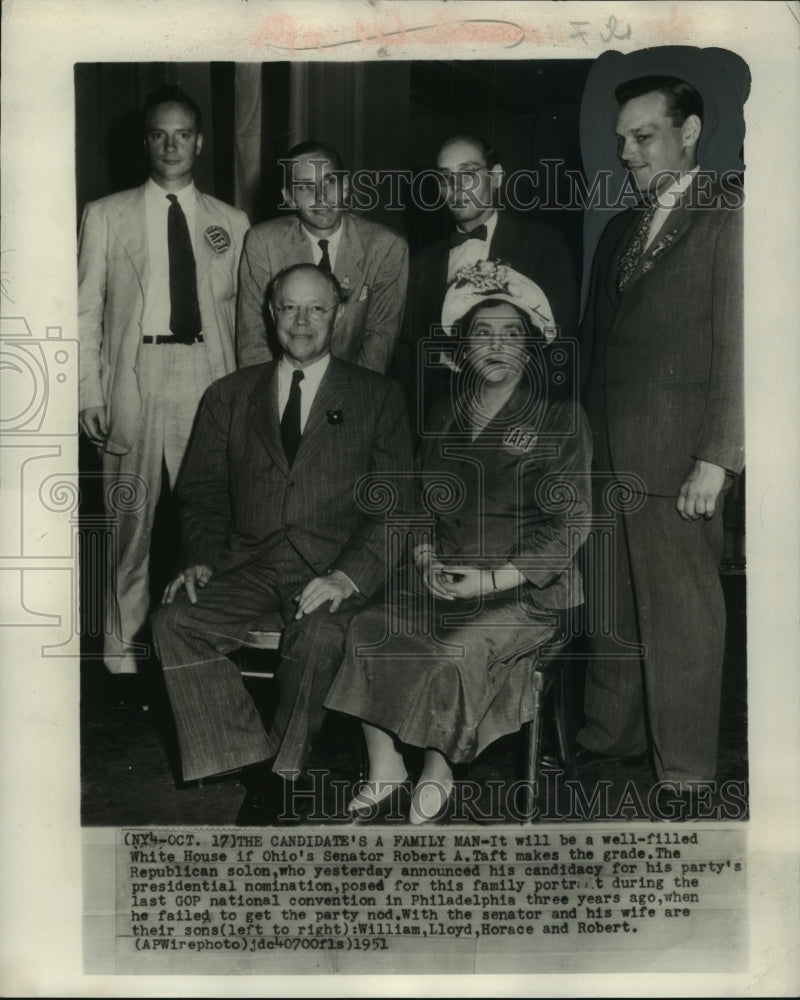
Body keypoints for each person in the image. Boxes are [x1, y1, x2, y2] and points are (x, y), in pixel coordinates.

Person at [325, 261, 592, 824]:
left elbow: (570, 525)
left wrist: (493, 578)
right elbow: (421, 502)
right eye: (482, 335)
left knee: (455, 649)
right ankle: (384, 768)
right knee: (367, 626)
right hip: (446, 575)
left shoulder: (561, 418)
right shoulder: (448, 413)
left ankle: (436, 771)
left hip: (525, 590)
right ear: (464, 348)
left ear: (531, 347)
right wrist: (424, 555)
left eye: (510, 334)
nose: (496, 347)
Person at [151, 263, 414, 823]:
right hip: (246, 560)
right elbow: (199, 493)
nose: (302, 321)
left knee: (317, 637)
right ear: (270, 314)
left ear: (337, 315)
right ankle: (252, 756)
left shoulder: (378, 395)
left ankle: (280, 776)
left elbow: (397, 505)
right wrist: (198, 557)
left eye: (316, 308)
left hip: (331, 565)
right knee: (174, 622)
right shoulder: (228, 394)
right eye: (290, 308)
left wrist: (348, 576)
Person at [577, 76, 744, 792]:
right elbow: (597, 348)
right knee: (612, 601)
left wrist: (718, 458)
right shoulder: (622, 227)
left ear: (691, 132)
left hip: (679, 457)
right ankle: (611, 737)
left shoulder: (730, 213)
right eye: (621, 139)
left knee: (681, 616)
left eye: (643, 136)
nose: (627, 152)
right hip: (609, 454)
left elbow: (743, 349)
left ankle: (684, 770)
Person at [78, 84, 250, 688]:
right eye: (159, 134)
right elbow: (84, 312)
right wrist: (88, 395)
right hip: (136, 377)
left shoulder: (232, 222)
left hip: (209, 375)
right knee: (131, 524)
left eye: (183, 134)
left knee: (214, 520)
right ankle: (122, 657)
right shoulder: (105, 214)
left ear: (199, 141)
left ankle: (207, 647)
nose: (171, 145)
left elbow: (241, 318)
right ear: (145, 141)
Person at [391, 133, 578, 428]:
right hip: (439, 431)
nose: (455, 188)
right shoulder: (422, 263)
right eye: (445, 178)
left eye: (468, 174)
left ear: (496, 176)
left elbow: (560, 347)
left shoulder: (543, 244)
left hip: (516, 425)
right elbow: (407, 362)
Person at [236, 140, 409, 373]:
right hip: (281, 382)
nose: (321, 196)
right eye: (306, 186)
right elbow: (252, 337)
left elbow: (380, 340)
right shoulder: (263, 242)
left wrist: (352, 398)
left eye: (329, 181)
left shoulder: (386, 246)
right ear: (289, 197)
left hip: (354, 386)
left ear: (345, 186)